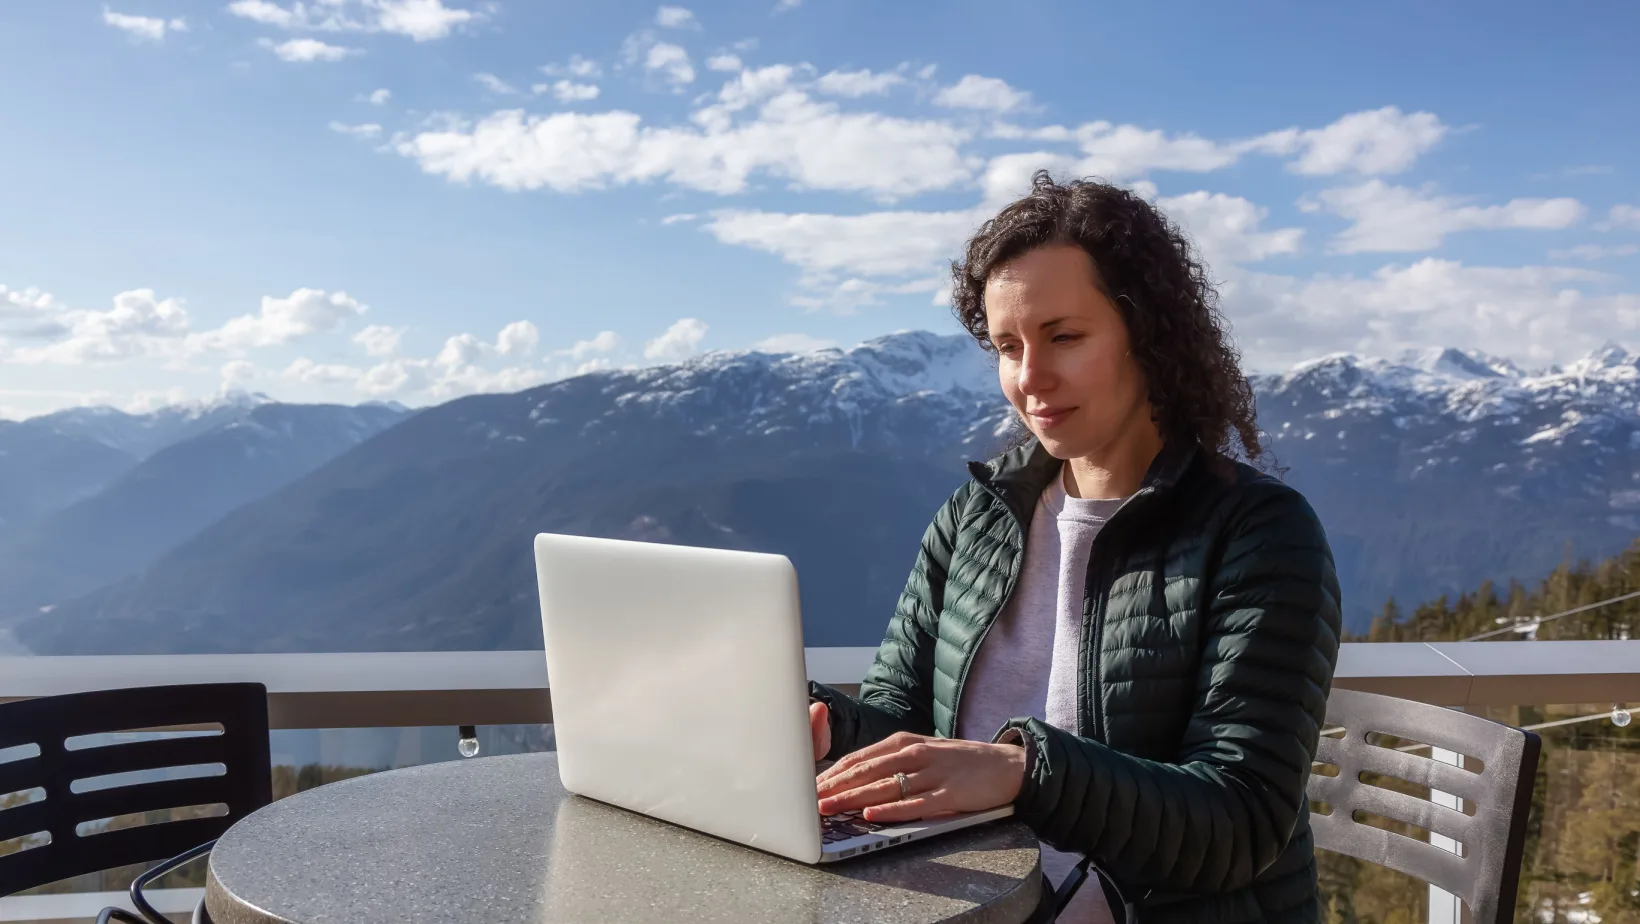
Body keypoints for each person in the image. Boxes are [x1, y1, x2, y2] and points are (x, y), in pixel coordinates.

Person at [807, 171, 1342, 924]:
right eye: (1007, 346)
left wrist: (1025, 774)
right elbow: (903, 714)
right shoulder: (977, 518)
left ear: (1147, 335)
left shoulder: (1257, 532)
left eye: (1064, 337)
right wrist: (820, 725)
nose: (1031, 379)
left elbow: (1243, 819)